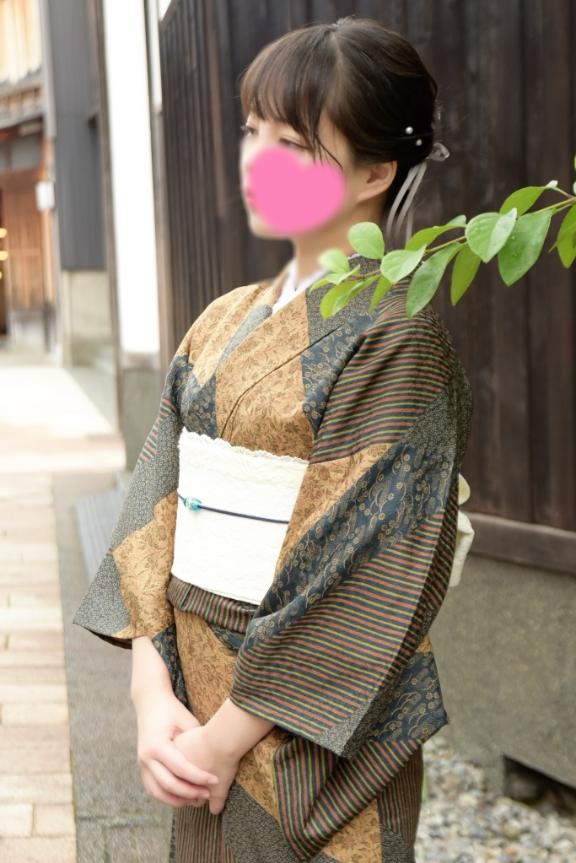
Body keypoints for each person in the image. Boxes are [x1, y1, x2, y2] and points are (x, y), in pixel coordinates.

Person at [73, 15, 474, 863]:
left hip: (309, 732)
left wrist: (222, 741)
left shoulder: (396, 339)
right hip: (191, 690)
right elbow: (154, 506)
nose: (256, 161)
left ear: (376, 170)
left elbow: (361, 572)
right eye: (251, 131)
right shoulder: (223, 318)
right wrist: (151, 691)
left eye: (291, 144)